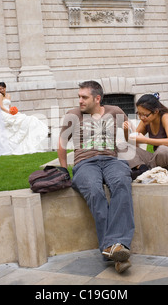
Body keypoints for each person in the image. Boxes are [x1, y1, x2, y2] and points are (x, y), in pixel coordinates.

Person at [58, 80, 134, 274]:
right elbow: (61, 144)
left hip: (111, 160)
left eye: (84, 97)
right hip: (85, 163)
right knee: (94, 191)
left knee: (122, 184)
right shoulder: (72, 115)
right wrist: (64, 170)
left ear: (97, 98)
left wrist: (125, 128)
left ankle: (113, 247)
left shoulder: (115, 111)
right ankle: (117, 247)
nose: (80, 101)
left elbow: (126, 137)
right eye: (79, 97)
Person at [0, 82, 48, 157]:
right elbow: (1, 106)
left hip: (9, 112)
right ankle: (11, 144)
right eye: (0, 89)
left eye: (2, 88)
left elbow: (9, 106)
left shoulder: (8, 95)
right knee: (15, 122)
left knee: (26, 119)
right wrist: (9, 112)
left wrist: (13, 111)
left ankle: (22, 142)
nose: (1, 90)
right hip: (3, 113)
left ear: (5, 88)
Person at [125, 94, 168, 177]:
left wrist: (145, 140)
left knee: (162, 150)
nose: (141, 117)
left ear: (156, 111)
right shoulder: (146, 121)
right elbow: (133, 143)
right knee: (123, 147)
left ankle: (144, 171)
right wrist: (126, 131)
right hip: (158, 159)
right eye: (139, 114)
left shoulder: (166, 117)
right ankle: (143, 169)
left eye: (145, 114)